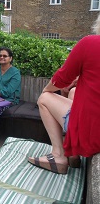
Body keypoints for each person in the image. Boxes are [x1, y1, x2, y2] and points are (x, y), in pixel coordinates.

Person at [28, 13, 100, 174]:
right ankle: (73, 154)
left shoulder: (90, 43)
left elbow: (62, 77)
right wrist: (80, 81)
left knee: (45, 99)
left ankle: (58, 156)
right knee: (74, 91)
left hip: (93, 133)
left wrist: (46, 90)